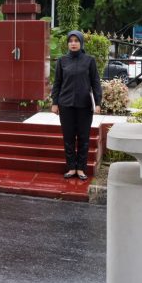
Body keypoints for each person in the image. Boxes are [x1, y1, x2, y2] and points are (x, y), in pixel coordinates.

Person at [51, 30, 102, 181]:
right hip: (65, 104)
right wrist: (55, 102)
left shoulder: (89, 60)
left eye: (76, 41)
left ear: (81, 43)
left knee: (83, 137)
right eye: (70, 41)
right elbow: (57, 83)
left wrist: (98, 103)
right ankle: (71, 167)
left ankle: (81, 168)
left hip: (84, 106)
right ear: (68, 43)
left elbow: (95, 83)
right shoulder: (62, 61)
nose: (73, 43)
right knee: (68, 137)